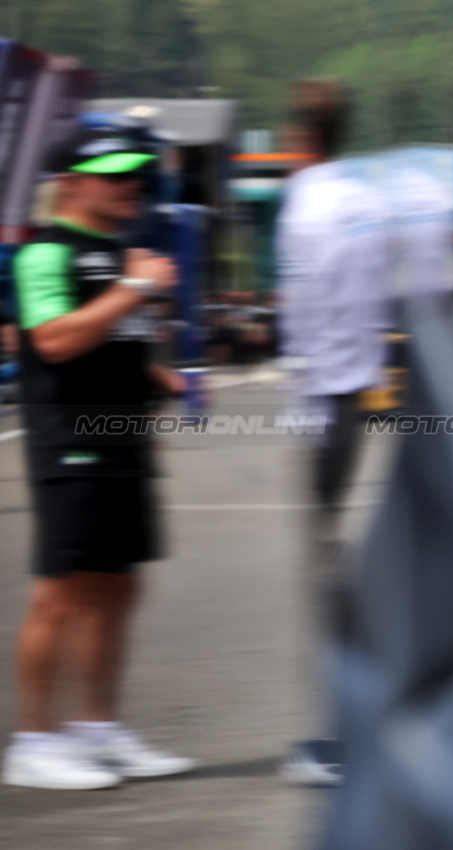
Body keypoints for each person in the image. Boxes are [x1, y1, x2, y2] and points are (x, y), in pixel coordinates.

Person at [3, 128, 195, 790]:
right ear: (71, 183)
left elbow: (111, 346)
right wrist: (136, 289)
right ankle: (33, 741)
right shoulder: (44, 254)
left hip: (122, 441)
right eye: (115, 175)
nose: (131, 185)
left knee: (118, 588)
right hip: (71, 442)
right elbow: (54, 341)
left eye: (136, 175)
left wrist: (157, 379)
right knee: (62, 593)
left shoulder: (119, 254)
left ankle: (96, 728)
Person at [276, 79, 393, 785]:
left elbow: (301, 312)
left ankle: (346, 732)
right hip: (356, 394)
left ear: (298, 135)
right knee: (341, 562)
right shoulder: (358, 199)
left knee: (328, 572)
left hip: (324, 400)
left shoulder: (303, 206)